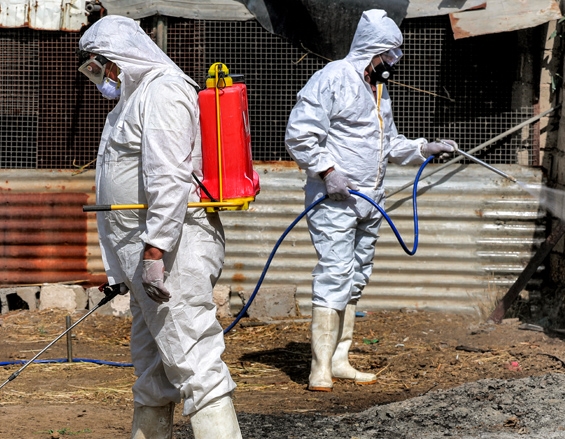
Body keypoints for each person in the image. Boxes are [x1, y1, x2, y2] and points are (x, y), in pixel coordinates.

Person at [77, 15, 242, 438]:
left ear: (117, 59)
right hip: (144, 254)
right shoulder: (131, 100)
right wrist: (125, 266)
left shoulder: (163, 91)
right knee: (152, 367)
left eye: (99, 65)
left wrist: (155, 251)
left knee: (193, 358)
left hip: (172, 252)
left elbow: (169, 178)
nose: (99, 76)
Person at [284, 9, 456, 392]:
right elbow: (299, 134)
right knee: (335, 272)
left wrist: (424, 148)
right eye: (389, 54)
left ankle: (339, 359)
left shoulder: (378, 90)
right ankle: (319, 369)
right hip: (335, 198)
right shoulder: (333, 78)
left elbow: (388, 142)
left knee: (357, 276)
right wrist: (328, 171)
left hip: (369, 199)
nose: (394, 61)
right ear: (372, 50)